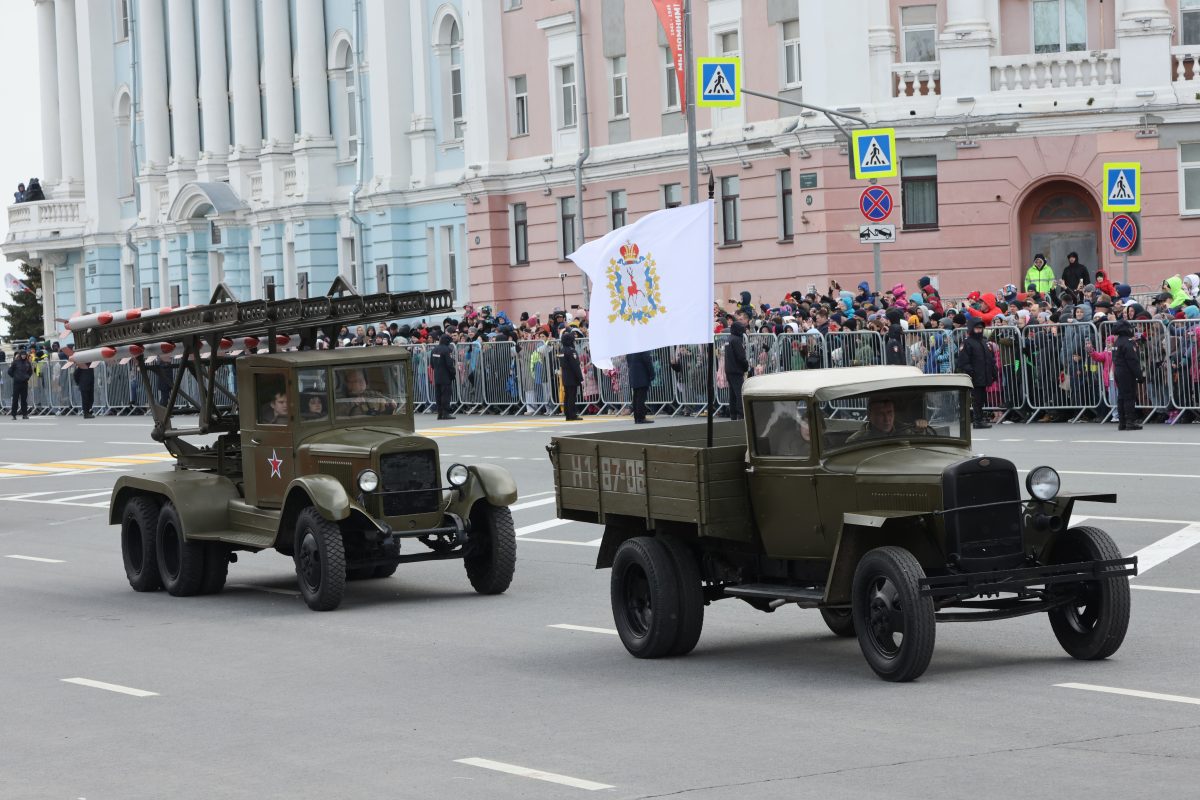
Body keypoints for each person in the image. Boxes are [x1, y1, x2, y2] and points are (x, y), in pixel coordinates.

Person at [957, 318, 997, 429]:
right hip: (975, 376)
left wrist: (993, 372)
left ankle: (979, 418)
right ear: (971, 329)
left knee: (982, 398)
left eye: (980, 328)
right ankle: (977, 420)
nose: (979, 330)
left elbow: (990, 359)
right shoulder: (967, 343)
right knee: (977, 398)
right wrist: (972, 372)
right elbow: (963, 361)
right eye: (977, 328)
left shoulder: (984, 342)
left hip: (983, 375)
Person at [846, 396, 934, 442]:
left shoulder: (907, 431)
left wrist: (921, 430)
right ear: (869, 415)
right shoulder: (857, 441)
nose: (887, 419)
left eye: (889, 412)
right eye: (880, 414)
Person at [1112, 320, 1144, 431]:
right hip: (1126, 372)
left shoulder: (1117, 342)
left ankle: (1122, 423)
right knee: (1129, 397)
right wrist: (1139, 375)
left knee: (1121, 397)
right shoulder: (1127, 342)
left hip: (1118, 371)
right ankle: (1130, 422)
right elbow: (1133, 360)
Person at [724, 321, 749, 421]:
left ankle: (733, 414)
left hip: (729, 369)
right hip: (736, 369)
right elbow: (741, 357)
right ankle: (741, 415)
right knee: (739, 393)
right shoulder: (737, 340)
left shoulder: (728, 339)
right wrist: (745, 366)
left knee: (732, 394)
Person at [559, 329, 584, 420]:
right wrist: (580, 378)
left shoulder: (562, 350)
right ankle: (572, 415)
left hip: (565, 376)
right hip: (572, 376)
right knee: (572, 396)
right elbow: (575, 366)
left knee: (567, 396)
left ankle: (567, 414)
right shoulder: (571, 351)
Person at [626, 349, 655, 424]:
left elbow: (628, 361)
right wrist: (652, 373)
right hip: (642, 375)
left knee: (636, 397)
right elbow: (648, 361)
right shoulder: (642, 348)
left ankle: (637, 418)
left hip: (633, 374)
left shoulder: (631, 350)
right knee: (641, 398)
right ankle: (641, 417)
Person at [431, 334, 456, 420]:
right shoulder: (447, 350)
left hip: (437, 376)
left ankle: (440, 413)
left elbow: (432, 364)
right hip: (445, 376)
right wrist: (453, 373)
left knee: (438, 395)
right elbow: (449, 364)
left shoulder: (434, 350)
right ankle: (446, 413)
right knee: (446, 395)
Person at [8, 349, 33, 419]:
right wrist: (14, 376)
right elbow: (9, 371)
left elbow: (30, 372)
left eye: (24, 355)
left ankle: (25, 414)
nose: (23, 356)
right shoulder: (15, 362)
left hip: (24, 383)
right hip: (17, 383)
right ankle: (14, 415)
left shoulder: (27, 362)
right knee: (15, 399)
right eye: (22, 354)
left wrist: (27, 377)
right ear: (20, 355)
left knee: (24, 399)